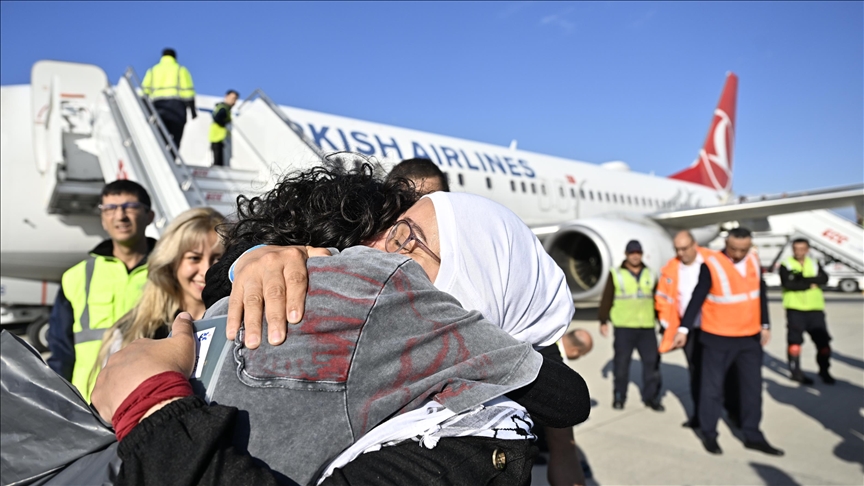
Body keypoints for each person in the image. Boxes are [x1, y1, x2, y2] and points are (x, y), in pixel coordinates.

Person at [91, 165, 590, 485]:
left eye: (405, 241)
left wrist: (154, 412)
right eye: (384, 236)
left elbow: (562, 393)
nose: (369, 258)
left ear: (479, 285)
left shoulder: (466, 445)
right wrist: (254, 259)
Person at [672, 227, 784, 456]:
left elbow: (759, 293)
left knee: (752, 390)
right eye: (734, 248)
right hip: (717, 338)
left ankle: (752, 434)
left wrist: (765, 324)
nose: (738, 254)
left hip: (749, 339)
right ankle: (709, 434)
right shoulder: (711, 265)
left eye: (743, 249)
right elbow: (697, 297)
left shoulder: (753, 260)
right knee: (711, 390)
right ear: (726, 244)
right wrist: (683, 328)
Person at [87, 207, 224, 390]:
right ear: (172, 262)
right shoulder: (134, 330)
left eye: (218, 259)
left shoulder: (240, 322)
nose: (206, 270)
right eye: (194, 258)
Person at [47, 180, 155, 401]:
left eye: (130, 207)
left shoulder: (172, 271)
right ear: (103, 219)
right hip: (88, 404)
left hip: (150, 400)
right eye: (110, 209)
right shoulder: (75, 277)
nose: (120, 216)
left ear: (149, 216)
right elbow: (61, 352)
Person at [657, 230, 722, 428]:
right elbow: (663, 300)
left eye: (685, 248)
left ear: (695, 245)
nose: (681, 253)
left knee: (718, 374)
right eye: (677, 249)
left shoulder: (714, 261)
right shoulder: (671, 269)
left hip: (715, 328)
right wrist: (669, 326)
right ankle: (699, 416)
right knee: (696, 374)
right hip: (688, 331)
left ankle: (727, 411)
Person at [598, 239, 663, 411]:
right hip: (624, 327)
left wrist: (662, 321)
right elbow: (607, 298)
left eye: (638, 253)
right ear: (626, 255)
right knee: (621, 364)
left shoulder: (651, 273)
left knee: (652, 364)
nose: (635, 256)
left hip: (647, 327)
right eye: (632, 253)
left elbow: (658, 300)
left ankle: (652, 397)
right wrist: (603, 320)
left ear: (641, 254)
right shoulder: (616, 274)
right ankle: (619, 396)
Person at [779, 238, 834, 385]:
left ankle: (824, 371)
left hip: (815, 309)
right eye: (796, 249)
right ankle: (796, 373)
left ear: (808, 249)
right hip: (795, 309)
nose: (799, 252)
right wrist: (810, 283)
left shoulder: (814, 263)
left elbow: (824, 278)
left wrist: (802, 279)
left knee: (824, 344)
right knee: (795, 343)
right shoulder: (786, 264)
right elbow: (789, 284)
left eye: (802, 249)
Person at [141, 48, 197, 149]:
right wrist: (192, 110)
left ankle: (160, 155)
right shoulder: (181, 70)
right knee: (176, 136)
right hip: (177, 107)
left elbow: (144, 91)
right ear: (175, 57)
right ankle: (172, 157)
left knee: (160, 134)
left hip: (158, 106)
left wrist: (144, 107)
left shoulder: (153, 70)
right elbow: (189, 92)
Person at [210, 90, 239, 167]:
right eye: (233, 98)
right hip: (217, 137)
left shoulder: (225, 109)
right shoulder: (223, 108)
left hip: (219, 138)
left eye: (235, 99)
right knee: (218, 162)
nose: (234, 101)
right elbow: (217, 118)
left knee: (220, 161)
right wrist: (225, 123)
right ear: (226, 96)